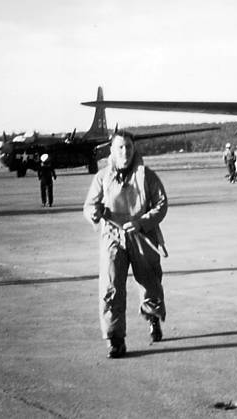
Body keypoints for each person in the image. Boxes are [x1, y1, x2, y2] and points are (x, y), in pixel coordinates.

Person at [83, 132, 168, 359]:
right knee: (111, 288)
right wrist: (95, 213)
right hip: (112, 237)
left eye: (128, 147)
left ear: (134, 149)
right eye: (120, 147)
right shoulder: (102, 177)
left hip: (141, 236)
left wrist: (142, 222)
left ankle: (152, 317)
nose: (125, 152)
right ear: (111, 150)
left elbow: (161, 203)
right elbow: (89, 205)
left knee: (150, 284)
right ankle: (115, 339)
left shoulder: (146, 176)